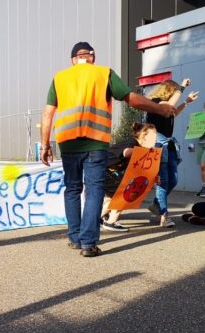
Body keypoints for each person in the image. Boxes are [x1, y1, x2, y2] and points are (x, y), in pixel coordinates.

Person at [40, 41, 175, 257]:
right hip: (95, 141)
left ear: (73, 60)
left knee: (72, 188)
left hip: (68, 143)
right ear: (92, 57)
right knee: (94, 190)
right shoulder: (104, 74)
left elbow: (47, 114)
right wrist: (160, 108)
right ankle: (88, 243)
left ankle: (75, 238)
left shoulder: (59, 78)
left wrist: (45, 145)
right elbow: (132, 99)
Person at [146, 78, 199, 227]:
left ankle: (157, 205)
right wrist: (181, 87)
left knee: (173, 180)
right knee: (163, 181)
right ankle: (164, 215)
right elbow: (169, 106)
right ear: (170, 91)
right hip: (158, 144)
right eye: (175, 91)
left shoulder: (168, 108)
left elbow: (173, 112)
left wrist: (187, 102)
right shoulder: (156, 103)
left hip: (168, 144)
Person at [101, 123, 158, 232]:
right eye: (153, 134)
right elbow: (126, 152)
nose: (155, 138)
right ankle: (111, 222)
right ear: (144, 135)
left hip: (106, 171)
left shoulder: (140, 148)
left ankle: (97, 219)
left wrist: (154, 177)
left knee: (110, 197)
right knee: (124, 194)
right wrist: (145, 152)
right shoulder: (132, 142)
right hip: (104, 170)